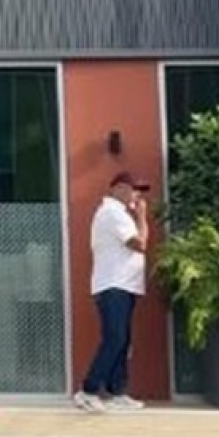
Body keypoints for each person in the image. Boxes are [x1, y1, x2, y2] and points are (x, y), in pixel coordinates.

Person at [73, 169, 149, 413]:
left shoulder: (118, 213)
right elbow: (139, 244)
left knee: (122, 340)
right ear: (119, 188)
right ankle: (88, 390)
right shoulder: (112, 212)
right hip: (114, 285)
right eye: (134, 190)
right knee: (115, 338)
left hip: (123, 285)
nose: (137, 196)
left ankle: (117, 392)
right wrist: (142, 218)